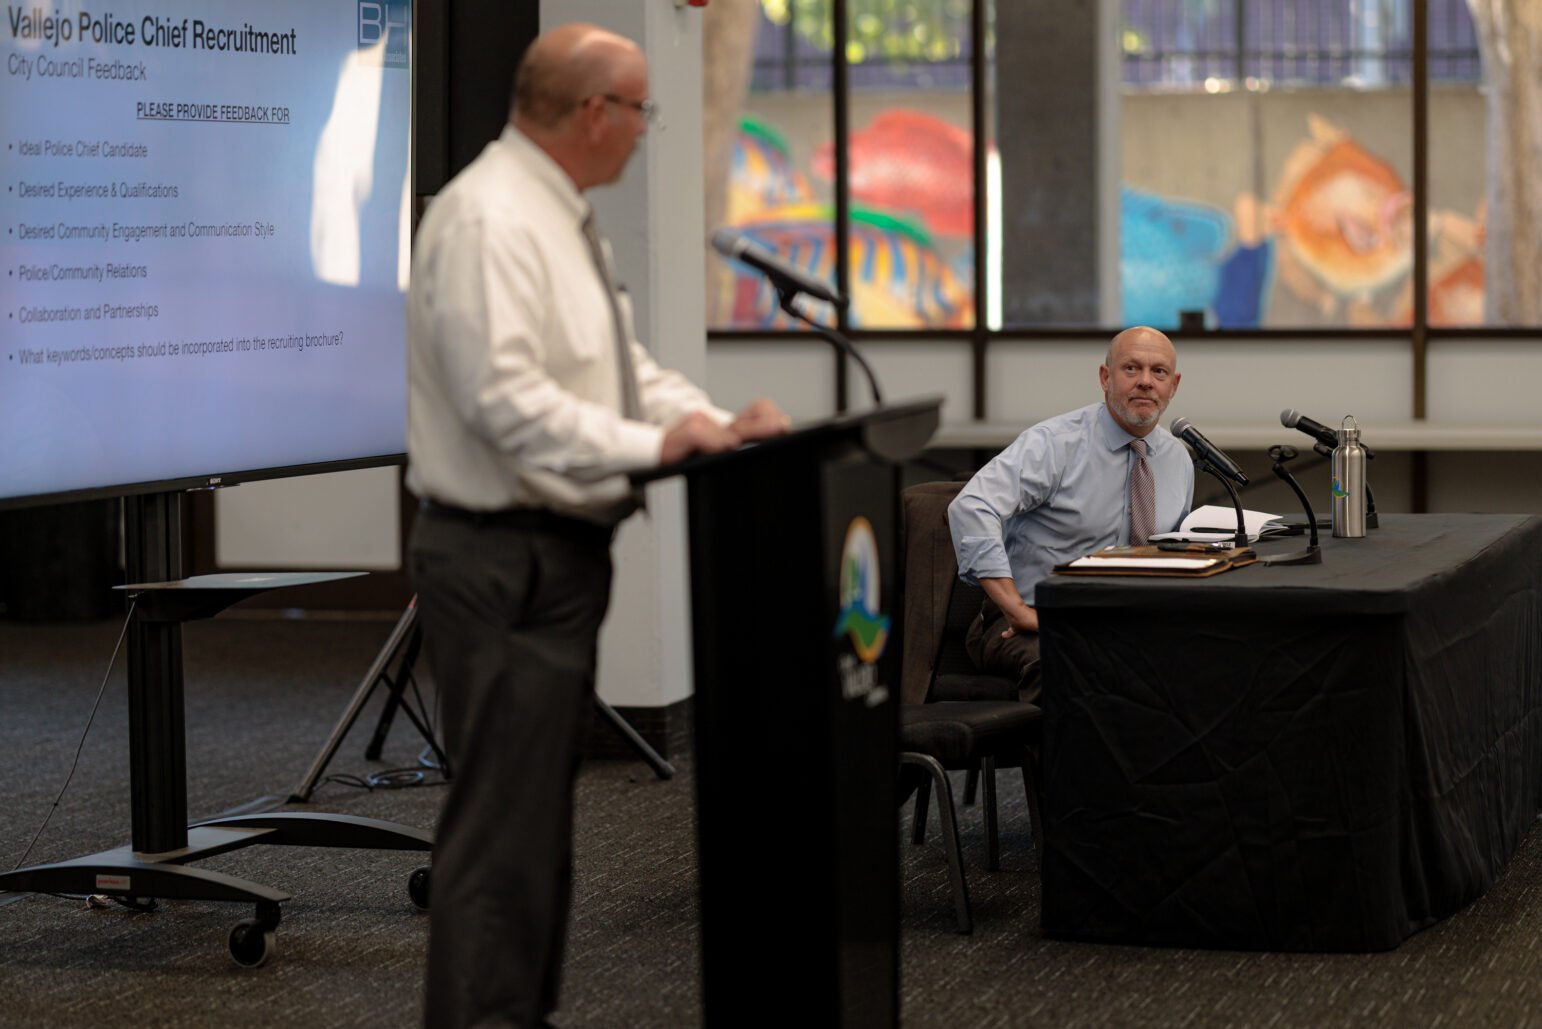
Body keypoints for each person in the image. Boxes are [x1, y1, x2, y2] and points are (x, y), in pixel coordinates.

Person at [404, 24, 790, 1029]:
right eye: (640, 110)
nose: (644, 131)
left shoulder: (559, 216)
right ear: (592, 113)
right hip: (501, 560)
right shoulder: (491, 220)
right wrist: (652, 447)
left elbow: (617, 370)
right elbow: (507, 403)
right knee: (499, 836)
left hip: (554, 559)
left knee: (535, 830)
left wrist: (700, 419)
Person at [947, 326, 1193, 702]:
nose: (1145, 382)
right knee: (1070, 660)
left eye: (1158, 372)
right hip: (1035, 618)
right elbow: (971, 506)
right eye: (1131, 368)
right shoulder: (1055, 444)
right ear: (1105, 377)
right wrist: (1016, 609)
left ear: (1173, 385)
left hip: (1126, 620)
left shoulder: (1178, 458)